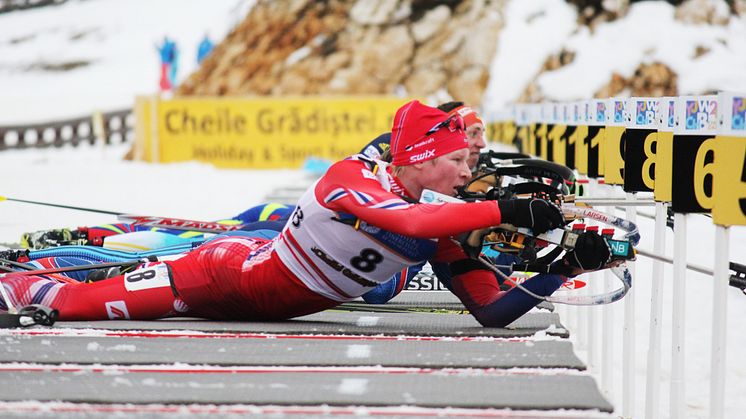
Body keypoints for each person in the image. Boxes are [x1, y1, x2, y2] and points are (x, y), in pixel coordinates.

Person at [1, 100, 609, 327]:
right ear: (422, 158)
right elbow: (410, 224)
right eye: (456, 159)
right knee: (70, 306)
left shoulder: (443, 218)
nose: (463, 174)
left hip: (257, 294)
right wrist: (504, 207)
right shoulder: (352, 177)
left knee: (80, 297)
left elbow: (494, 312)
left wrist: (560, 268)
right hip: (222, 273)